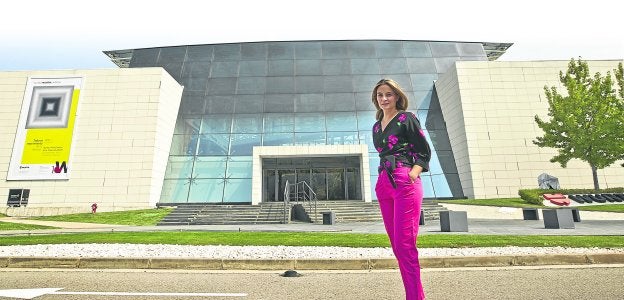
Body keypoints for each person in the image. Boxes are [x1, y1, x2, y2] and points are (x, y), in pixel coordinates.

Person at [372, 78, 431, 300]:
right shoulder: (376, 126)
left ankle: (415, 297)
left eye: (389, 94)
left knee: (405, 245)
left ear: (397, 96)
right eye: (380, 95)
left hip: (404, 180)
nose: (384, 99)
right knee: (397, 246)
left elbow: (423, 152)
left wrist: (412, 174)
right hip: (384, 183)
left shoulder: (407, 118)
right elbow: (382, 152)